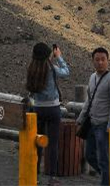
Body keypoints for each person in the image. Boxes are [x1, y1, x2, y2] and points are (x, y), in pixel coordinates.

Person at [76, 47, 110, 185]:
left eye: (103, 59)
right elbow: (88, 100)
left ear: (108, 61)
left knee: (104, 158)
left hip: (104, 125)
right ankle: (109, 176)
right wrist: (81, 118)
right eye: (97, 60)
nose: (100, 62)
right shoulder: (92, 77)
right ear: (92, 61)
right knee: (89, 155)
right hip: (92, 123)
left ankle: (107, 181)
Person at [26, 43, 70, 180]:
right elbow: (66, 72)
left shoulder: (31, 68)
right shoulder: (51, 68)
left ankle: (35, 174)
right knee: (53, 144)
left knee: (36, 142)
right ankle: (52, 177)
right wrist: (59, 57)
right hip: (53, 109)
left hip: (37, 108)